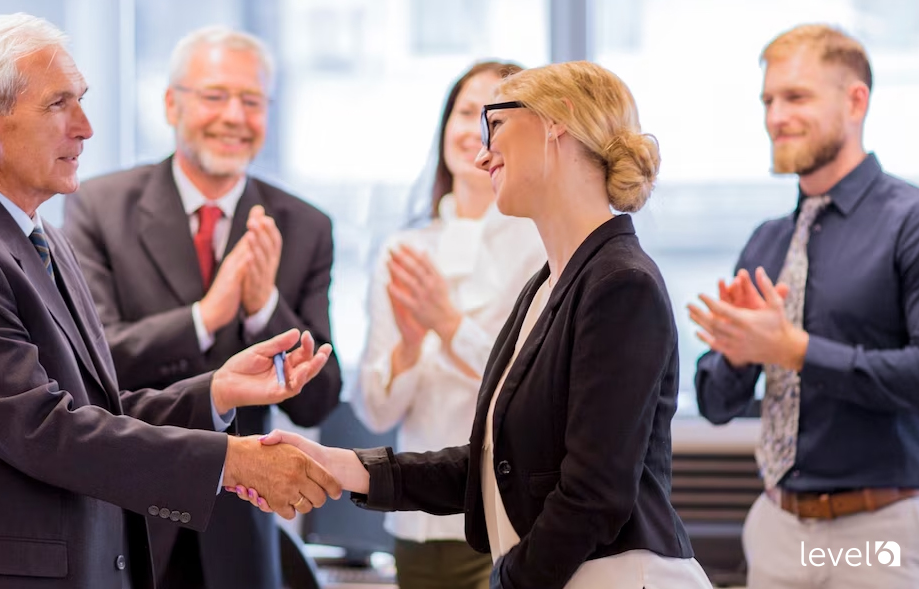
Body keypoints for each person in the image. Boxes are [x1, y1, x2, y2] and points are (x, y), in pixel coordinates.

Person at [0, 14, 341, 589]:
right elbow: (45, 430)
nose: (85, 127)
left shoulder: (39, 238)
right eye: (59, 104)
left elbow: (95, 407)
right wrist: (231, 460)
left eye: (81, 101)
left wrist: (215, 393)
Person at [240, 61, 714, 588]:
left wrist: (508, 581)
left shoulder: (622, 283)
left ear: (558, 122)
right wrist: (340, 465)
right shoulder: (548, 284)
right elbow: (495, 464)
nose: (483, 152)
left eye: (496, 124)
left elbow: (594, 496)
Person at [62, 25, 342, 589]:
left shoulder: (304, 225)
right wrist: (206, 317)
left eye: (252, 100)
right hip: (131, 516)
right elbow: (93, 366)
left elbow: (320, 400)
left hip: (241, 530)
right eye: (215, 96)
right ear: (171, 103)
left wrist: (265, 309)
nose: (234, 116)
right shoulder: (98, 205)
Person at [688, 24, 919, 589]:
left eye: (796, 97)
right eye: (768, 100)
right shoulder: (767, 241)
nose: (775, 116)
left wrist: (794, 350)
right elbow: (717, 403)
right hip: (775, 526)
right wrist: (740, 354)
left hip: (877, 532)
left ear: (855, 101)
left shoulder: (912, 222)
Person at [352, 60, 544, 589]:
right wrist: (409, 351)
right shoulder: (404, 248)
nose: (474, 130)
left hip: (504, 516)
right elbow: (374, 409)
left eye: (495, 117)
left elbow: (532, 392)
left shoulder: (540, 244)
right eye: (464, 111)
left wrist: (448, 323)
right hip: (413, 520)